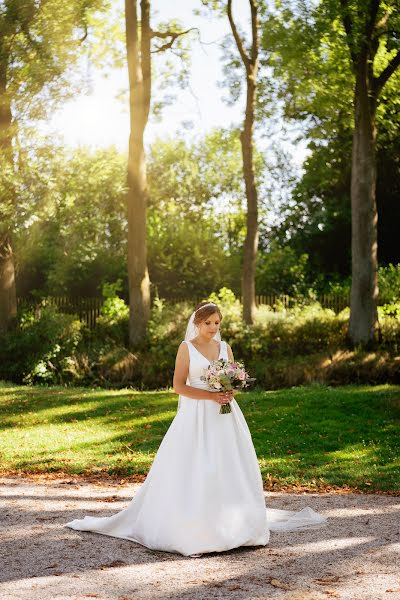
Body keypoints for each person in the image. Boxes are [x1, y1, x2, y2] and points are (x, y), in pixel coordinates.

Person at [65, 301, 327, 557]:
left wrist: (229, 392)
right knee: (197, 466)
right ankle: (196, 530)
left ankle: (234, 526)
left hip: (225, 416)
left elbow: (233, 381)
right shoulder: (186, 348)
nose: (213, 327)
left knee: (229, 465)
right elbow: (179, 386)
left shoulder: (225, 347)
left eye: (217, 323)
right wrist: (210, 397)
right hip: (196, 416)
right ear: (197, 323)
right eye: (208, 323)